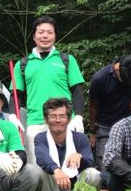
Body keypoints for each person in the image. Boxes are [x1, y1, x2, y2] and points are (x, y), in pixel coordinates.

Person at [13, 16, 86, 166]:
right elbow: (15, 95)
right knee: (38, 168)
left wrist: (78, 116)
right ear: (34, 36)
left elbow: (77, 91)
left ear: (55, 35)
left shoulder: (67, 60)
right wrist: (14, 116)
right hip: (36, 122)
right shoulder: (22, 64)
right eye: (41, 32)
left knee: (69, 167)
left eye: (49, 32)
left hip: (66, 121)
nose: (45, 36)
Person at [34, 97, 101, 191]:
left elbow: (90, 162)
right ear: (45, 119)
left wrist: (79, 156)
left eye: (62, 116)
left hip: (76, 189)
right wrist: (56, 170)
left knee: (93, 173)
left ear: (69, 120)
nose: (57, 120)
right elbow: (41, 157)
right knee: (39, 171)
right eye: (53, 116)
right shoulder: (41, 138)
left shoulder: (80, 138)